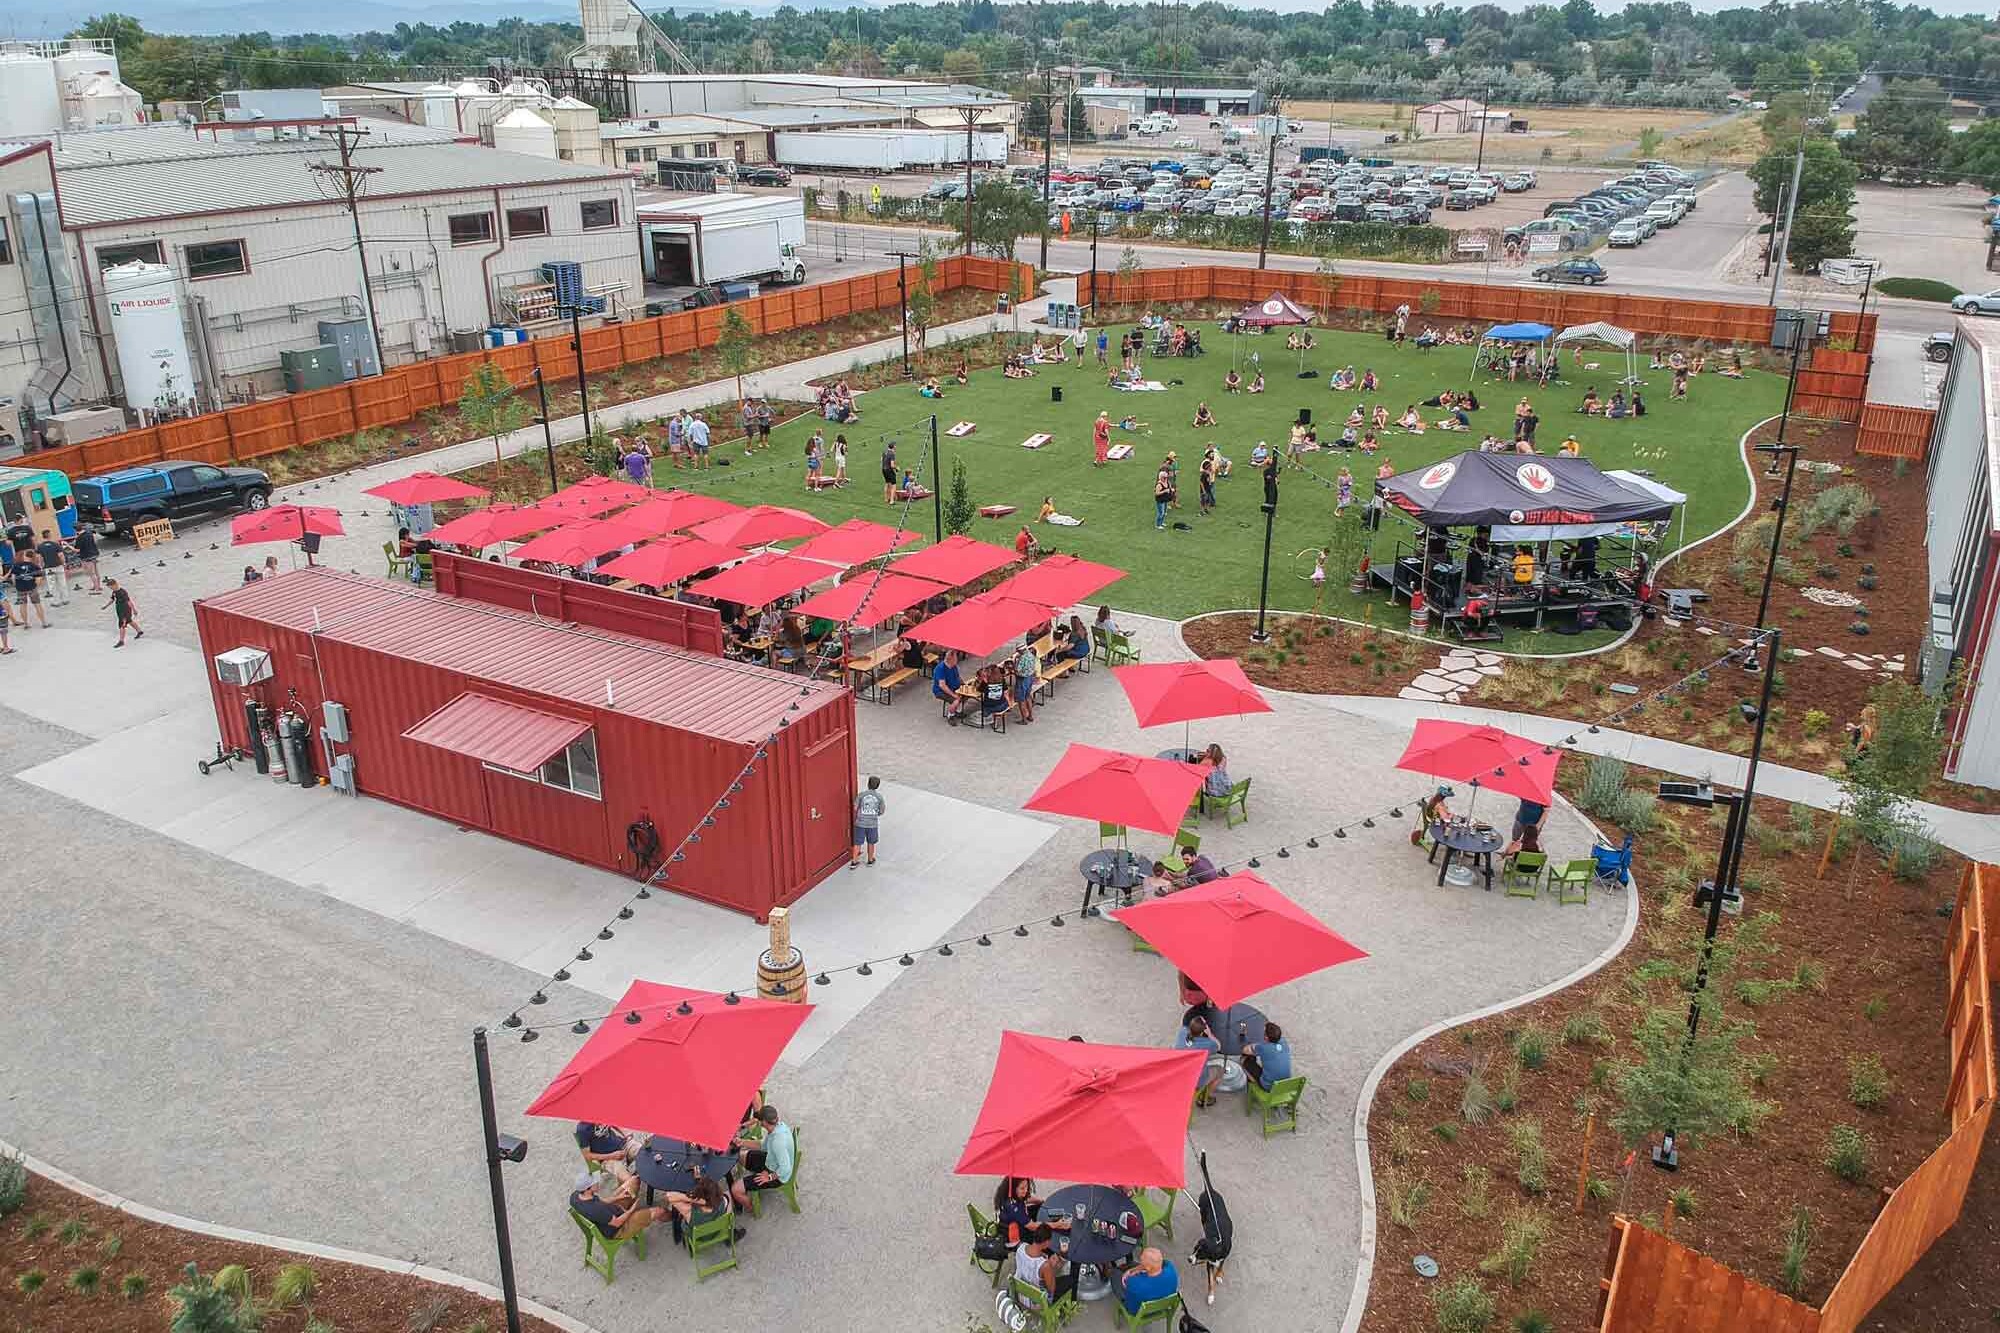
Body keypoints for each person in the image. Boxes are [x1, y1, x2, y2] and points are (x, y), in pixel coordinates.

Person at [731, 1104, 795, 1208]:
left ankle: (751, 1208)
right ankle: (750, 1181)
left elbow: (785, 1169)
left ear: (764, 1122)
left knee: (735, 1190)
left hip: (777, 1175)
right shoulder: (778, 1127)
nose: (758, 1122)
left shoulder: (777, 1142)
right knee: (741, 1155)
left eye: (760, 1120)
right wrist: (742, 1142)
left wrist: (769, 1177)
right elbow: (762, 1145)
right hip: (770, 1161)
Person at [1015, 1226, 1079, 1305]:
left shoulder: (1020, 1247)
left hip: (1020, 1293)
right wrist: (1052, 1267)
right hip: (1036, 1302)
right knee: (1071, 1280)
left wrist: (1049, 1263)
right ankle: (1071, 1304)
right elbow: (1051, 1290)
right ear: (1046, 1242)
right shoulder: (1045, 1266)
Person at [1177, 1015, 1225, 1107]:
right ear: (1203, 1032)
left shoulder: (1182, 1032)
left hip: (1180, 1072)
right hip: (1195, 1080)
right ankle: (1205, 1098)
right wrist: (1210, 1034)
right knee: (1220, 1070)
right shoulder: (1207, 1044)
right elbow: (1218, 1046)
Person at [1119, 1247, 1179, 1315]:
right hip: (1162, 1306)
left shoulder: (1135, 1282)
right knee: (1133, 1264)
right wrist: (1138, 1268)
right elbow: (1164, 1262)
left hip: (1137, 1312)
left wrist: (1128, 1272)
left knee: (1115, 1275)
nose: (1140, 1259)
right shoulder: (1170, 1268)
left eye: (1141, 1260)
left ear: (1148, 1268)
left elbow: (1126, 1281)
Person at [1240, 1021, 1292, 1091]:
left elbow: (1245, 1050)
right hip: (1285, 1083)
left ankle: (1253, 1084)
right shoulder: (1283, 1041)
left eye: (1264, 1032)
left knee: (1243, 1060)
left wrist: (1252, 1044)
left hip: (1269, 1086)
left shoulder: (1263, 1047)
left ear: (1266, 1037)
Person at [852, 774, 886, 868]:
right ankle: (870, 860)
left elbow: (855, 807)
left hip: (860, 823)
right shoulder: (879, 797)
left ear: (868, 784)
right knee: (871, 842)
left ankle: (854, 862)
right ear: (877, 786)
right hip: (872, 824)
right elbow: (882, 811)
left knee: (857, 842)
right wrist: (875, 814)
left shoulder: (861, 795)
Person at [10, 548, 45, 628]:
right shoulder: (35, 566)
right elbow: (38, 579)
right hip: (32, 587)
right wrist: (35, 586)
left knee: (23, 605)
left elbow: (13, 578)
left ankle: (26, 624)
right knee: (37, 604)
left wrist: (17, 586)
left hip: (20, 589)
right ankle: (44, 623)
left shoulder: (16, 566)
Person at [933, 649, 966, 722]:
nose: (957, 659)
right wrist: (954, 695)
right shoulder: (940, 668)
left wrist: (964, 685)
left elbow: (958, 677)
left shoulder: (953, 666)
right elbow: (942, 686)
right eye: (956, 658)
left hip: (953, 687)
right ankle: (950, 715)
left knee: (965, 696)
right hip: (940, 691)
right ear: (951, 659)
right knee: (956, 700)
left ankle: (955, 710)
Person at [1013, 637, 1041, 723]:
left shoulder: (1021, 659)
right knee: (1028, 697)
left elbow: (1017, 670)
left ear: (1020, 651)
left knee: (1021, 700)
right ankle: (1030, 716)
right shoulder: (1031, 655)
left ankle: (1024, 719)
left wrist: (1015, 662)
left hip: (1022, 679)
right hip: (1030, 678)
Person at [36, 535, 69, 606]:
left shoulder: (40, 546)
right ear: (49, 536)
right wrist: (64, 563)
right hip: (58, 566)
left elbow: (40, 558)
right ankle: (65, 599)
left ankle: (56, 602)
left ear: (42, 536)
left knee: (52, 585)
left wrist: (41, 566)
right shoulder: (56, 544)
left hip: (49, 568)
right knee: (62, 583)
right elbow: (61, 555)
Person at [1154, 463, 1175, 531]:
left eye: (1166, 477)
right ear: (1161, 477)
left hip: (1165, 499)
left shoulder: (1167, 482)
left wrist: (1171, 490)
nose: (1166, 479)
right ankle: (1158, 525)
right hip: (1160, 500)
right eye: (1164, 478)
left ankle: (1162, 522)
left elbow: (1170, 487)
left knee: (1164, 513)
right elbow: (1157, 493)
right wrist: (1164, 491)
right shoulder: (1159, 484)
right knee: (1161, 513)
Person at [1198, 450, 1218, 516]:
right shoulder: (1204, 474)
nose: (1210, 467)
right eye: (1209, 467)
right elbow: (1201, 482)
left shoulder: (1208, 473)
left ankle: (1206, 509)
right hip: (1204, 488)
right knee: (1203, 500)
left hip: (1208, 486)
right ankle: (1202, 511)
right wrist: (1203, 490)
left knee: (1207, 499)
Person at [880, 439, 899, 505]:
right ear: (893, 446)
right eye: (895, 445)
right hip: (889, 470)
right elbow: (892, 465)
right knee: (893, 485)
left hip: (883, 469)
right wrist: (897, 468)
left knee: (887, 483)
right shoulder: (892, 454)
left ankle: (886, 498)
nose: (896, 446)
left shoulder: (884, 452)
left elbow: (882, 460)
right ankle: (891, 500)